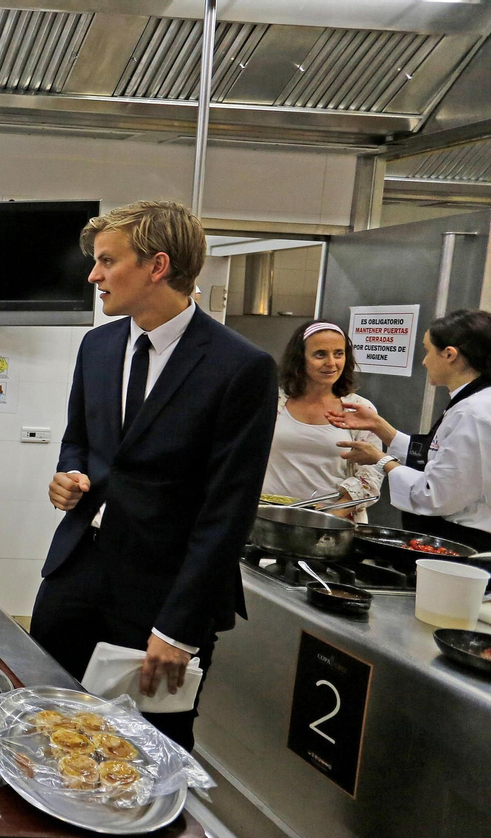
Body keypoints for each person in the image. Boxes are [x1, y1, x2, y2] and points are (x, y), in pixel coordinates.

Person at [34, 201, 278, 748]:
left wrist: (178, 629)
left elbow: (228, 511)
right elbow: (80, 440)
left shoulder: (239, 368)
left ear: (157, 266)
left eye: (106, 261)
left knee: (149, 742)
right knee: (47, 715)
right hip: (77, 572)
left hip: (163, 593)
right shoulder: (97, 346)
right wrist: (67, 475)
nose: (93, 276)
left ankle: (139, 836)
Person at [328, 309, 491, 551]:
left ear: (449, 354)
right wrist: (380, 427)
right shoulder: (473, 401)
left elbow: (435, 495)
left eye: (427, 351)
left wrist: (382, 460)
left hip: (465, 539)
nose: (424, 361)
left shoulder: (473, 413)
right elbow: (437, 456)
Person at [261, 321, 384, 520]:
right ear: (300, 359)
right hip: (267, 518)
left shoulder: (359, 409)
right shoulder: (271, 402)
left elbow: (371, 475)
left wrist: (332, 514)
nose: (331, 363)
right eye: (320, 354)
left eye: (338, 353)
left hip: (330, 525)